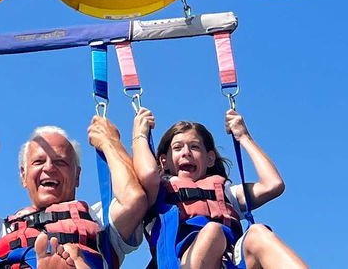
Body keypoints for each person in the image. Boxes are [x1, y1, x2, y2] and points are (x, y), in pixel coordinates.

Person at [0, 118, 146, 269]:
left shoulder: (99, 219)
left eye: (60, 162)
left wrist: (109, 142)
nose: (49, 168)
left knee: (74, 254)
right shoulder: (1, 229)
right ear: (23, 176)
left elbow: (133, 199)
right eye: (38, 162)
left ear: (77, 176)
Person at [132, 109, 308, 269]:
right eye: (177, 148)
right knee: (213, 231)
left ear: (209, 159)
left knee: (258, 232)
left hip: (227, 261)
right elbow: (147, 174)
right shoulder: (158, 191)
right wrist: (140, 134)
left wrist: (244, 137)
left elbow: (273, 185)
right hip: (179, 261)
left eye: (194, 146)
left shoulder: (227, 193)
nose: (186, 152)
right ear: (164, 162)